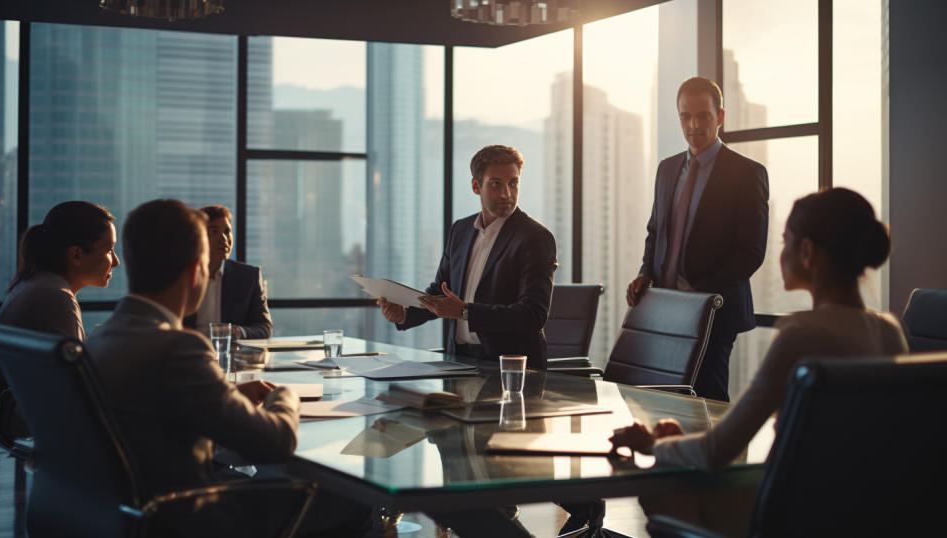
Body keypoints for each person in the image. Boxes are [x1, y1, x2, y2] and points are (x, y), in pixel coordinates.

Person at [610, 188, 908, 535]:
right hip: (858, 517)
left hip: (781, 517)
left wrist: (652, 443)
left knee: (659, 480)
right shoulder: (891, 332)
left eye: (785, 241)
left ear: (807, 252)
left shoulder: (800, 334)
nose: (779, 254)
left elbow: (717, 451)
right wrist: (674, 443)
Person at [86, 199, 371, 536]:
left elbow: (158, 408)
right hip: (189, 518)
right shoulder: (179, 348)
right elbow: (274, 442)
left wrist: (229, 394)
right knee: (355, 501)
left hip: (118, 516)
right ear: (196, 272)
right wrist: (285, 397)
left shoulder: (98, 341)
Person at [627, 76, 770, 402]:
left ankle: (715, 455)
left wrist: (702, 293)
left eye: (703, 116)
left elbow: (751, 251)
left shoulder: (747, 173)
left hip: (714, 309)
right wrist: (645, 272)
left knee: (707, 400)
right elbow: (655, 231)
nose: (693, 124)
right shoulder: (666, 169)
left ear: (719, 116)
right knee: (662, 399)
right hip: (664, 306)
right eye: (685, 116)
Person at [377, 145, 557, 370]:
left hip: (511, 368)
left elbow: (533, 314)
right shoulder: (461, 230)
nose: (506, 194)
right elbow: (440, 292)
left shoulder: (535, 237)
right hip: (460, 360)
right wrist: (405, 314)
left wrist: (465, 312)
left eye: (513, 183)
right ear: (475, 186)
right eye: (495, 184)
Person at [0, 201, 119, 340]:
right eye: (109, 250)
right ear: (76, 255)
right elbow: (72, 361)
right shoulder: (57, 298)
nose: (116, 262)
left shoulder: (36, 286)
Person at [183, 204, 273, 340]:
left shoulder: (248, 276)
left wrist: (238, 331)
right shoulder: (182, 274)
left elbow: (264, 327)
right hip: (189, 352)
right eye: (214, 231)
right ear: (199, 237)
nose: (224, 239)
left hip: (230, 354)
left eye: (227, 231)